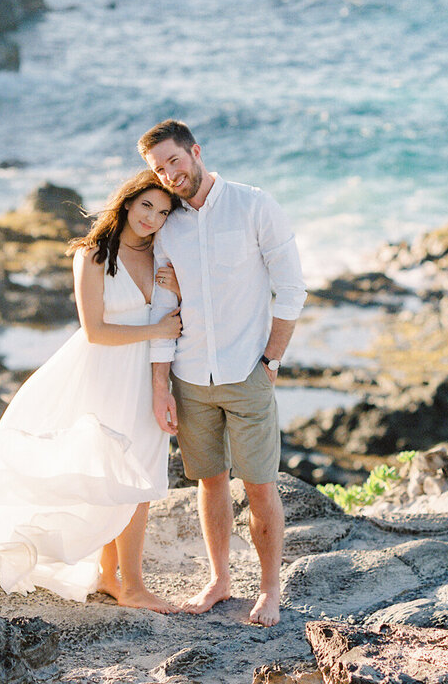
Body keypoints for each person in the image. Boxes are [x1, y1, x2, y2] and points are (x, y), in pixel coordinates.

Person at [0, 170, 183, 612]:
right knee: (119, 474)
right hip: (103, 371)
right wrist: (157, 327)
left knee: (138, 476)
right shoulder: (92, 256)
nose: (153, 218)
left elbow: (188, 306)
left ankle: (112, 577)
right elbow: (95, 331)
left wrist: (177, 293)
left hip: (147, 375)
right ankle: (133, 586)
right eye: (147, 205)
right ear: (127, 202)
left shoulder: (163, 256)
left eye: (163, 212)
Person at [138, 119, 306, 627]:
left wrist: (271, 361)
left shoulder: (254, 205)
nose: (169, 174)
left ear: (195, 151)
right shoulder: (167, 226)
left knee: (259, 486)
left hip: (247, 371)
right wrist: (160, 383)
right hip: (190, 378)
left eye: (174, 160)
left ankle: (270, 590)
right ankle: (219, 581)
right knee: (209, 484)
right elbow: (164, 310)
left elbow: (292, 288)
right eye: (157, 169)